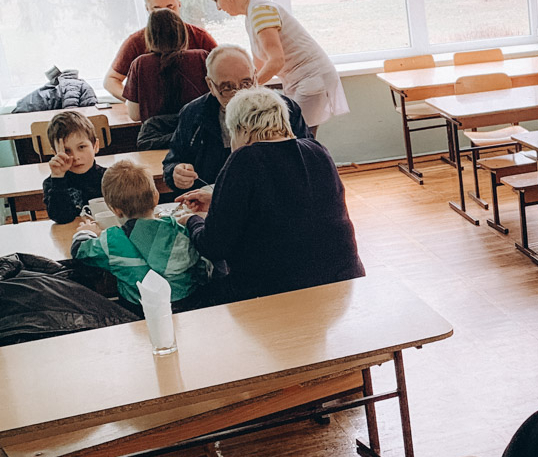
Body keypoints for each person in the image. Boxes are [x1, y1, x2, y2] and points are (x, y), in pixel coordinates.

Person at [177, 88, 362, 301]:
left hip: (277, 291)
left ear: (242, 130)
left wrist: (192, 221)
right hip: (342, 282)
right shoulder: (317, 150)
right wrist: (218, 201)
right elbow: (289, 206)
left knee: (193, 293)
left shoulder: (245, 158)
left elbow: (214, 246)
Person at [204, 0, 348, 130]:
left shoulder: (260, 11)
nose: (218, 7)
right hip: (301, 79)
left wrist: (246, 91)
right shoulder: (252, 14)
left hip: (311, 78)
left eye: (216, 0)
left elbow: (276, 61)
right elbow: (259, 64)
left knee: (296, 134)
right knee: (295, 133)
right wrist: (245, 85)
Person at [161, 45, 309, 196]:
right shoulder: (194, 114)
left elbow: (306, 158)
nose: (239, 94)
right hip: (211, 197)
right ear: (211, 85)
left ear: (255, 77)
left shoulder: (283, 109)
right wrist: (176, 173)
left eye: (246, 83)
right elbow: (173, 161)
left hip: (272, 196)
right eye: (227, 88)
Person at [70, 161, 210, 311]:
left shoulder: (112, 240)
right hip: (190, 305)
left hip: (139, 312)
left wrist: (87, 231)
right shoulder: (182, 230)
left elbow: (79, 250)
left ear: (115, 210)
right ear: (156, 197)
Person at [104, 0, 218, 100]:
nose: (166, 13)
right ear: (147, 9)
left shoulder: (199, 36)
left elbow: (224, 70)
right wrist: (136, 103)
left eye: (170, 7)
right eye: (157, 9)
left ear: (179, 3)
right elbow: (111, 81)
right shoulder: (136, 41)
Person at [123, 9, 210, 149]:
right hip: (198, 141)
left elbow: (134, 115)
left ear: (150, 37)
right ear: (183, 33)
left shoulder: (140, 64)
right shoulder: (201, 57)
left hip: (159, 144)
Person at [41, 110, 104, 224]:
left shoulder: (109, 178)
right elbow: (61, 218)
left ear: (95, 146)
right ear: (55, 153)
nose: (75, 157)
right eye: (66, 151)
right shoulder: (52, 184)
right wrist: (58, 178)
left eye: (81, 147)